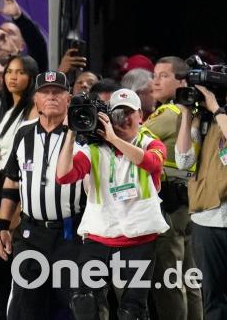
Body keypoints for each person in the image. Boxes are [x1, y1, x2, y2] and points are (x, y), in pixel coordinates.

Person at [56, 88, 168, 320]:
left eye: (129, 113)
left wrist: (114, 139)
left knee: (131, 312)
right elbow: (63, 176)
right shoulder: (94, 150)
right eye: (118, 113)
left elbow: (152, 165)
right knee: (83, 301)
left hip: (139, 239)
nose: (124, 119)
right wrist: (70, 132)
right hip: (99, 237)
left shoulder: (151, 144)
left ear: (140, 115)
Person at [0, 71, 86, 320]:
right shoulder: (24, 134)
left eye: (58, 92)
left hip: (70, 234)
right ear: (36, 99)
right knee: (25, 307)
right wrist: (2, 226)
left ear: (69, 98)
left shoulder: (83, 136)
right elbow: (12, 180)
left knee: (79, 305)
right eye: (45, 92)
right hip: (31, 234)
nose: (51, 97)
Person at [145, 56, 203, 319]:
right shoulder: (194, 112)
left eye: (164, 76)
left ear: (182, 82)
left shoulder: (169, 114)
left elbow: (131, 135)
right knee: (190, 278)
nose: (155, 81)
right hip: (189, 202)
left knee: (170, 280)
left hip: (170, 205)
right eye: (154, 74)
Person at [175, 84, 227, 320]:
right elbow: (183, 161)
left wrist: (217, 108)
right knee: (212, 296)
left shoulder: (218, 115)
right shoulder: (204, 121)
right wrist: (187, 115)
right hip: (207, 218)